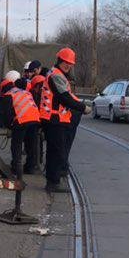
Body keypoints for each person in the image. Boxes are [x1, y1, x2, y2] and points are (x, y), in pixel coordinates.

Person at [39, 47, 83, 192]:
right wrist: (82, 107)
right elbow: (64, 97)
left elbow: (69, 96)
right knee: (57, 151)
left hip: (55, 119)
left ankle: (53, 180)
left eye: (70, 63)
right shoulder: (57, 76)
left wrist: (80, 103)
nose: (68, 65)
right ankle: (53, 182)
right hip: (53, 119)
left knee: (55, 150)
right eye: (66, 62)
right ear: (59, 61)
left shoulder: (58, 74)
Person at [0, 75, 40, 182]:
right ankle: (31, 167)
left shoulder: (8, 95)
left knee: (16, 144)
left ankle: (16, 167)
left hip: (22, 120)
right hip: (35, 119)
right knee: (31, 144)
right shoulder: (25, 92)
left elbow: (6, 115)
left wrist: (9, 126)